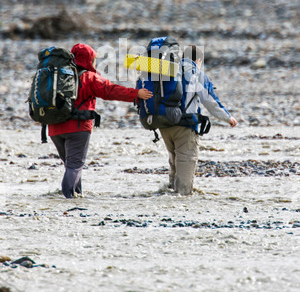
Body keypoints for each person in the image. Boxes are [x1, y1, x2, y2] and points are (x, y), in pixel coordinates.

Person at [48, 43, 152, 198]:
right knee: (75, 165)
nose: (95, 63)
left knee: (71, 166)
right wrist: (136, 93)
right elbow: (111, 91)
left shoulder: (56, 76)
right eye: (94, 59)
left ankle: (77, 195)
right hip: (78, 128)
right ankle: (67, 199)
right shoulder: (88, 77)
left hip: (54, 128)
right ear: (88, 60)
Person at [159, 44, 238, 196]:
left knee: (175, 161)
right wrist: (227, 117)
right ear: (199, 60)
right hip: (185, 126)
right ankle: (181, 201)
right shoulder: (196, 73)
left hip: (164, 124)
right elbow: (209, 101)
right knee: (185, 164)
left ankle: (168, 194)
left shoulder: (167, 69)